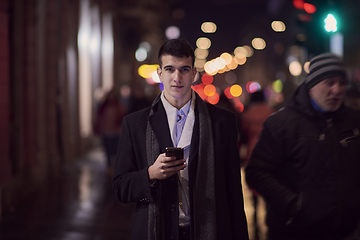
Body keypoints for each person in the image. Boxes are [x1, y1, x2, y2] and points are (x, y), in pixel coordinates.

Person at [112, 39, 249, 240]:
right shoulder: (136, 124)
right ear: (160, 73)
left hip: (209, 230)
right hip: (158, 232)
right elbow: (120, 189)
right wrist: (150, 174)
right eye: (169, 69)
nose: (177, 77)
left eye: (184, 69)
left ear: (194, 74)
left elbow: (234, 194)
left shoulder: (222, 122)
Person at [245, 53, 360, 240]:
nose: (337, 89)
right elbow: (257, 172)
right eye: (330, 82)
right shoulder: (283, 124)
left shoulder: (353, 121)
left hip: (347, 231)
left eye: (341, 82)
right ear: (312, 85)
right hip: (296, 232)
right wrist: (294, 205)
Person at [241, 90, 275, 240]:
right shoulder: (271, 112)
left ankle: (254, 215)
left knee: (253, 180)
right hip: (268, 150)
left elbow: (243, 134)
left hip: (252, 150)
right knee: (268, 183)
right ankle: (268, 218)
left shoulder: (247, 114)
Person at [94, 89, 126, 170]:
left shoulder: (119, 107)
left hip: (116, 132)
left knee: (116, 151)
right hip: (106, 132)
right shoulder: (103, 107)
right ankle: (109, 167)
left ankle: (115, 168)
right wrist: (98, 129)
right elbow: (99, 119)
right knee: (107, 151)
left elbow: (123, 117)